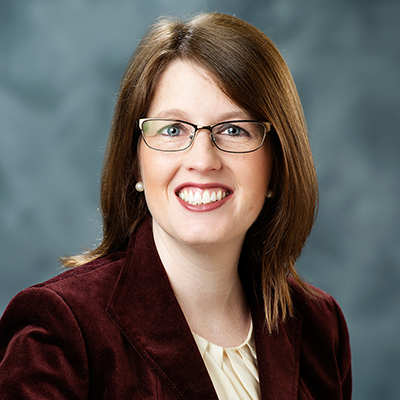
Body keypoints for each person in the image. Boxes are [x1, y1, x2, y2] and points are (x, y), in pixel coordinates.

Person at [0, 12, 351, 400]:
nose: (203, 160)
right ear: (135, 161)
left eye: (233, 129)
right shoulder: (61, 330)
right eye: (172, 129)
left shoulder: (320, 327)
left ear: (277, 163)